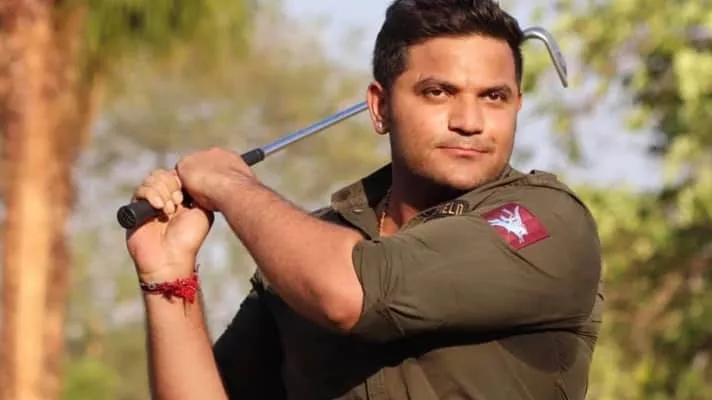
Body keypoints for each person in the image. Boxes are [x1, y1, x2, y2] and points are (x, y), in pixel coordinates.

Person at [125, 0, 604, 399]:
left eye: (493, 97)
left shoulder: (548, 221)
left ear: (517, 104)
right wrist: (167, 272)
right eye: (438, 92)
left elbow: (348, 291)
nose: (469, 121)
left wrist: (231, 185)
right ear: (380, 107)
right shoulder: (309, 250)